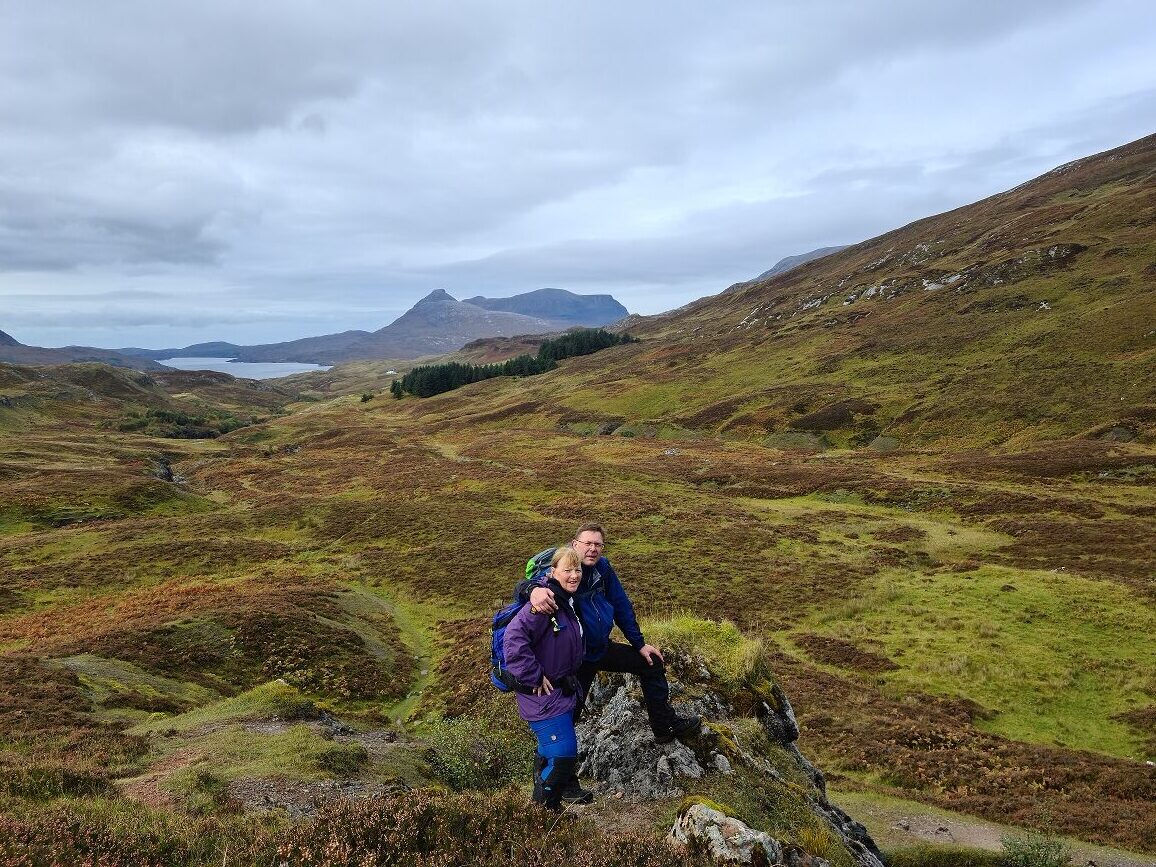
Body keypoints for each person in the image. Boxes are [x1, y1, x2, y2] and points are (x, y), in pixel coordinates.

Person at [519, 522, 701, 800]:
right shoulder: (563, 568)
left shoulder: (603, 569)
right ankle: (561, 783)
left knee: (650, 663)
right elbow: (531, 587)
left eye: (598, 544)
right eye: (587, 543)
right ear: (574, 544)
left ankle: (664, 726)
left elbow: (621, 604)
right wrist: (531, 590)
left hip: (599, 649)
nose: (592, 549)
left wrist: (639, 644)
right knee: (567, 718)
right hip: (575, 661)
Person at [502, 545, 586, 811]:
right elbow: (513, 641)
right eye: (567, 570)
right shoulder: (543, 604)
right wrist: (534, 676)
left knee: (551, 753)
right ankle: (542, 815)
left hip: (559, 694)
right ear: (553, 572)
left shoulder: (564, 600)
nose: (574, 575)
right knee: (562, 755)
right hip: (543, 697)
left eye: (578, 569)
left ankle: (547, 809)